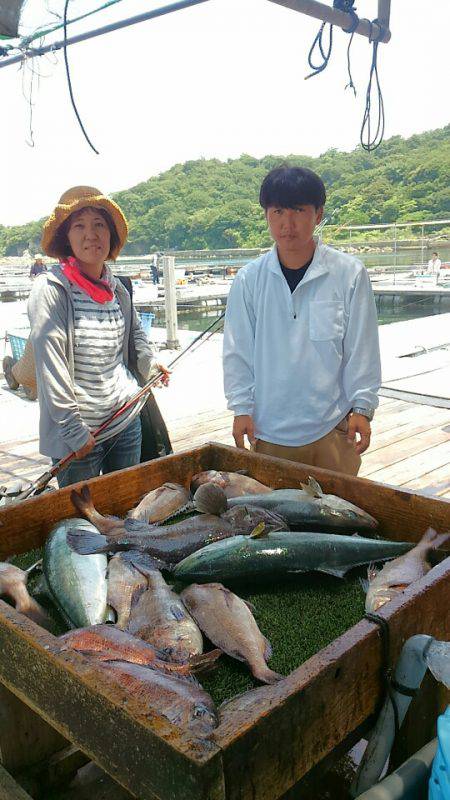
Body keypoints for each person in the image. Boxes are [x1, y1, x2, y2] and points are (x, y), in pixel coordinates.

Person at [223, 165, 381, 476]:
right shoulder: (249, 280)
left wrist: (363, 406)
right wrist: (240, 407)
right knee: (273, 522)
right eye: (278, 211)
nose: (288, 223)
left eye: (298, 210)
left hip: (333, 429)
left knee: (338, 517)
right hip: (268, 431)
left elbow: (362, 347)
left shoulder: (348, 273)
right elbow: (236, 351)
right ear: (267, 215)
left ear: (318, 214)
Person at [29, 185, 170, 488]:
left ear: (111, 235)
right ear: (66, 237)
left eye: (99, 225)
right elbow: (50, 367)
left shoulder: (117, 288)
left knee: (126, 508)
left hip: (125, 419)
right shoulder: (51, 291)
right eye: (79, 226)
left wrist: (151, 366)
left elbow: (135, 336)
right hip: (79, 438)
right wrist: (73, 431)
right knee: (82, 525)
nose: (90, 234)